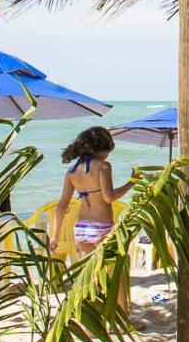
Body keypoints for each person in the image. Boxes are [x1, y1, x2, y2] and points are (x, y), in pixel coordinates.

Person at [50, 127, 138, 314]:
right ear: (101, 148)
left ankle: (91, 321)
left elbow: (61, 206)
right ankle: (123, 318)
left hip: (81, 229)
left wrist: (54, 236)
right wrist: (131, 183)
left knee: (89, 277)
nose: (107, 156)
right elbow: (109, 197)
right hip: (102, 228)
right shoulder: (104, 167)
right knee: (118, 274)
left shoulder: (72, 171)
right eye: (108, 151)